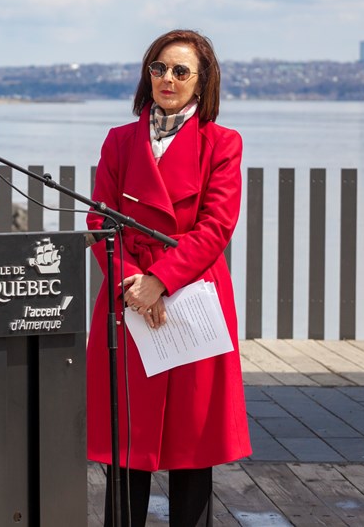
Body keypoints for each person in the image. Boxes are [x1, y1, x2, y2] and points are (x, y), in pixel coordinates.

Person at [85, 29, 250, 526]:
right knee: (126, 447)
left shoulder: (222, 143)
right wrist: (135, 285)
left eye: (181, 71)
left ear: (202, 83)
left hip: (191, 296)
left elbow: (217, 225)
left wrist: (160, 281)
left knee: (191, 448)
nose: (168, 79)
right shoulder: (119, 141)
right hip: (128, 298)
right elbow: (100, 220)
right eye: (159, 68)